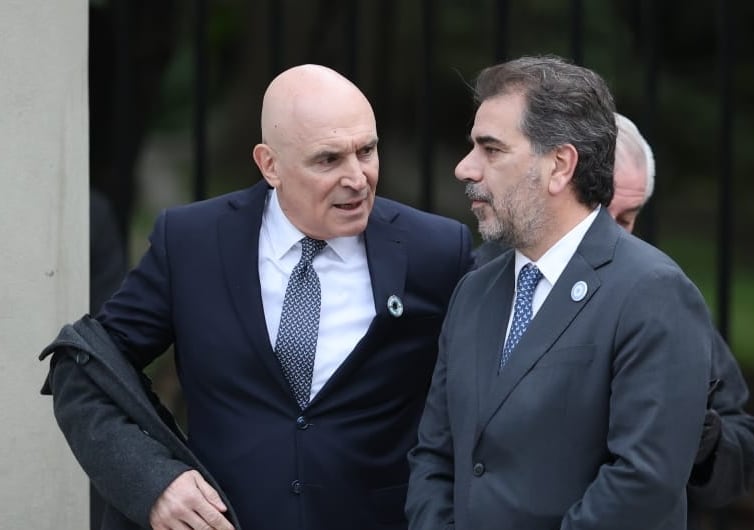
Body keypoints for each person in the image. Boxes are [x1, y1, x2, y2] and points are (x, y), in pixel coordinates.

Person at [42, 64, 473, 530]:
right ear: (270, 164)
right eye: (328, 160)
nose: (358, 178)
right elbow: (83, 371)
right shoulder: (192, 243)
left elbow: (490, 391)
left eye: (366, 151)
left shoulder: (437, 251)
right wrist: (151, 483)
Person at [405, 55, 717, 530]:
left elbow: (642, 484)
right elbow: (435, 457)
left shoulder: (652, 292)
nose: (465, 168)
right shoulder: (474, 291)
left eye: (491, 149)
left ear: (560, 166)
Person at [473, 112, 754, 528]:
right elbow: (435, 446)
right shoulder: (478, 283)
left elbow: (746, 447)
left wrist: (693, 430)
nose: (608, 236)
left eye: (626, 219)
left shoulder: (656, 294)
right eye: (595, 214)